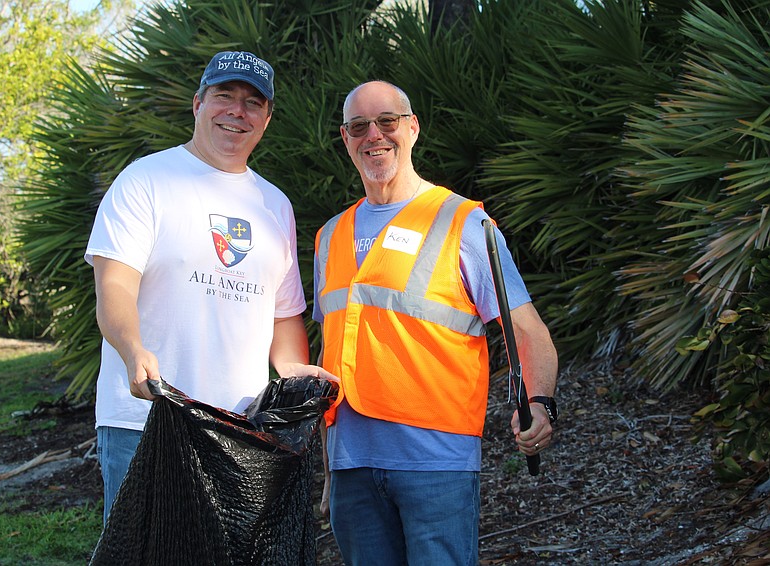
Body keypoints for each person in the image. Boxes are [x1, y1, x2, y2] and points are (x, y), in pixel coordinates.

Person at [313, 80, 559, 565]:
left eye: (387, 122)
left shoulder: (463, 222)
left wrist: (541, 401)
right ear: (346, 139)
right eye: (359, 126)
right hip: (351, 467)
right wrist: (328, 468)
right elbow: (330, 356)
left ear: (412, 128)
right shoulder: (329, 236)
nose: (374, 136)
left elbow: (529, 331)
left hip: (436, 463)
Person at [85, 50, 334, 525]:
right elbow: (114, 285)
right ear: (198, 102)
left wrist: (294, 368)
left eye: (253, 102)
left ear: (267, 117)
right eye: (225, 95)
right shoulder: (146, 181)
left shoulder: (274, 206)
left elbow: (282, 315)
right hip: (146, 422)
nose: (237, 111)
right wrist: (132, 347)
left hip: (240, 432)